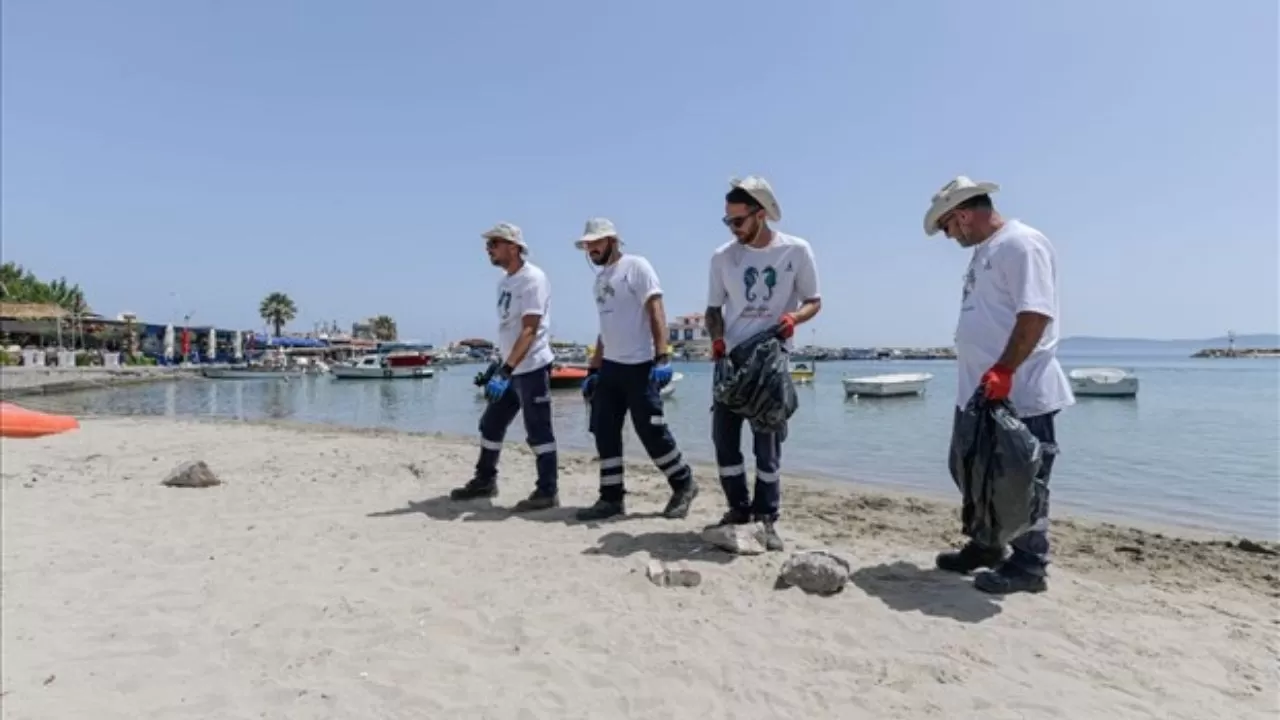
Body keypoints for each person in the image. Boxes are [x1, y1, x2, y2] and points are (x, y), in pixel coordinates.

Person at [923, 175, 1075, 594]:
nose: (948, 236)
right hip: (978, 394)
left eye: (948, 227)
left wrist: (1006, 369)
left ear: (964, 215)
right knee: (976, 475)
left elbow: (1035, 313)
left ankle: (1029, 566)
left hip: (1020, 393)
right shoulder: (987, 251)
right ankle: (987, 547)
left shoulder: (1022, 244)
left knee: (1023, 480)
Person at [704, 176, 822, 551]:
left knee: (767, 442)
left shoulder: (796, 251)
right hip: (732, 359)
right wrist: (718, 339)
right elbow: (712, 310)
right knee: (724, 439)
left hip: (772, 359)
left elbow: (814, 300)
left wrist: (794, 319)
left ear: (760, 215)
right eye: (727, 222)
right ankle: (738, 509)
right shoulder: (722, 257)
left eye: (737, 221)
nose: (732, 228)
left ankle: (767, 517)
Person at [573, 218, 700, 521]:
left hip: (641, 366)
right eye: (588, 245)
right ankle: (611, 499)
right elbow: (606, 327)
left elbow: (655, 309)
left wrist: (663, 355)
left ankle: (684, 484)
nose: (591, 249)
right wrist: (593, 368)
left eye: (596, 243)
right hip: (611, 369)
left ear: (612, 241)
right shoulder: (599, 280)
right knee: (605, 432)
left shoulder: (637, 267)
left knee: (651, 432)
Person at [450, 222, 560, 512]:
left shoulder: (533, 278)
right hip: (509, 368)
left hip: (532, 366)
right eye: (488, 245)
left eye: (494, 244)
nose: (489, 249)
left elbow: (529, 330)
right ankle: (485, 480)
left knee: (539, 430)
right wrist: (498, 366)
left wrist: (506, 371)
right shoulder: (504, 283)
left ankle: (547, 490)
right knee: (491, 423)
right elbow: (508, 330)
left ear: (513, 246)